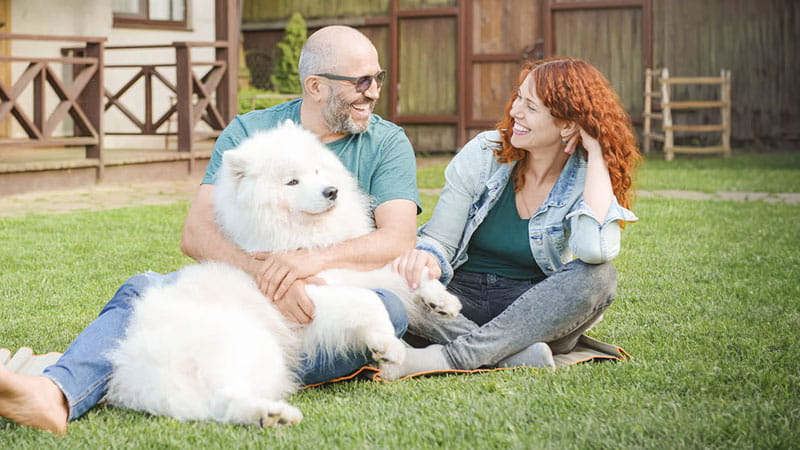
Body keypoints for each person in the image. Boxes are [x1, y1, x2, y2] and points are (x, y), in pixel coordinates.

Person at [0, 25, 420, 435]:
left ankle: (203, 382)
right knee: (144, 288)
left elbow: (397, 237)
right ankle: (56, 393)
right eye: (362, 81)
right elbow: (196, 233)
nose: (374, 91)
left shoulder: (386, 142)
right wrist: (266, 276)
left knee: (388, 312)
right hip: (244, 284)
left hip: (336, 292)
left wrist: (302, 266)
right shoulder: (249, 133)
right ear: (315, 86)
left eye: (378, 78)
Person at [381, 57, 640, 380]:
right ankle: (508, 355)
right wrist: (426, 259)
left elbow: (596, 250)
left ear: (568, 124)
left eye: (531, 107)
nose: (515, 110)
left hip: (530, 309)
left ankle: (455, 356)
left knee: (600, 276)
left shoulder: (587, 177)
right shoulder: (484, 152)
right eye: (519, 97)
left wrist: (598, 152)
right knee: (385, 275)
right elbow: (441, 240)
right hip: (456, 298)